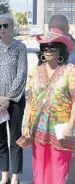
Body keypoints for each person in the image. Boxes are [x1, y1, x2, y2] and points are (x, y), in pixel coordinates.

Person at [22, 28, 75, 184]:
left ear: (61, 50)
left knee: (58, 173)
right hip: (38, 130)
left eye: (52, 46)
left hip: (60, 131)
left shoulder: (70, 71)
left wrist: (70, 126)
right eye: (44, 47)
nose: (48, 50)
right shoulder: (35, 72)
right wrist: (26, 125)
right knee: (39, 172)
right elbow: (30, 101)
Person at [0, 13, 28, 184]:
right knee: (0, 138)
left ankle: (16, 176)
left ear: (12, 27)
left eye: (5, 26)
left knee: (15, 138)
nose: (2, 29)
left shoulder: (20, 47)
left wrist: (8, 99)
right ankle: (4, 175)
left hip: (15, 101)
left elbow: (22, 74)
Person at [48, 15, 75, 184]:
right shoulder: (49, 48)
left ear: (66, 30)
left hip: (71, 111)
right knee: (56, 152)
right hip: (53, 113)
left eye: (56, 31)